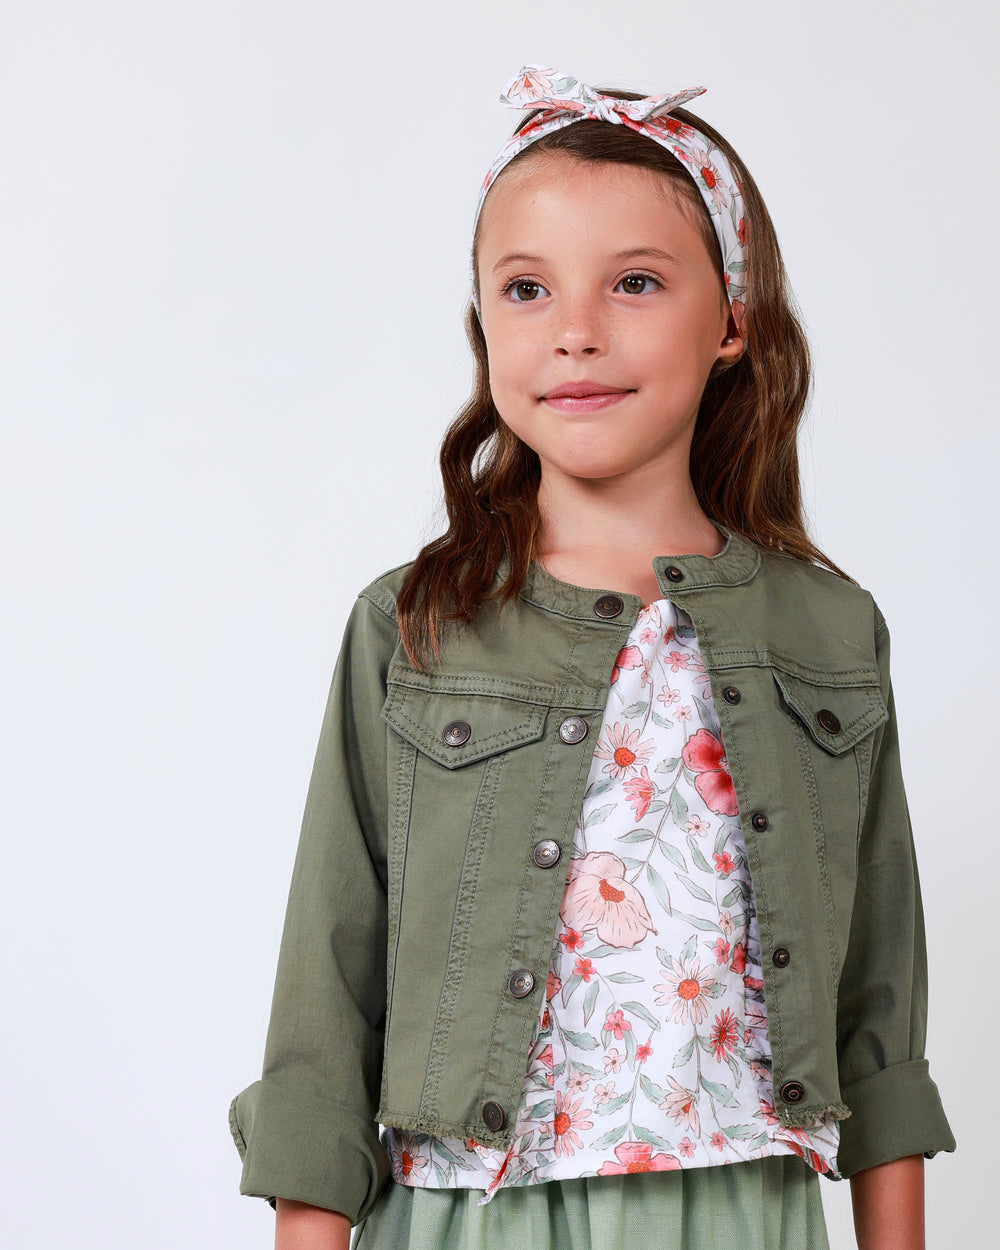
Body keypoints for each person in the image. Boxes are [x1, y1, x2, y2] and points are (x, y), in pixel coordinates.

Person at [228, 63, 957, 1250]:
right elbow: (327, 989)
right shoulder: (415, 623)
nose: (574, 330)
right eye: (526, 288)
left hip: (741, 1203)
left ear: (732, 319)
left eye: (634, 282)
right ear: (483, 325)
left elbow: (881, 988)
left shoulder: (826, 631)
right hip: (466, 1212)